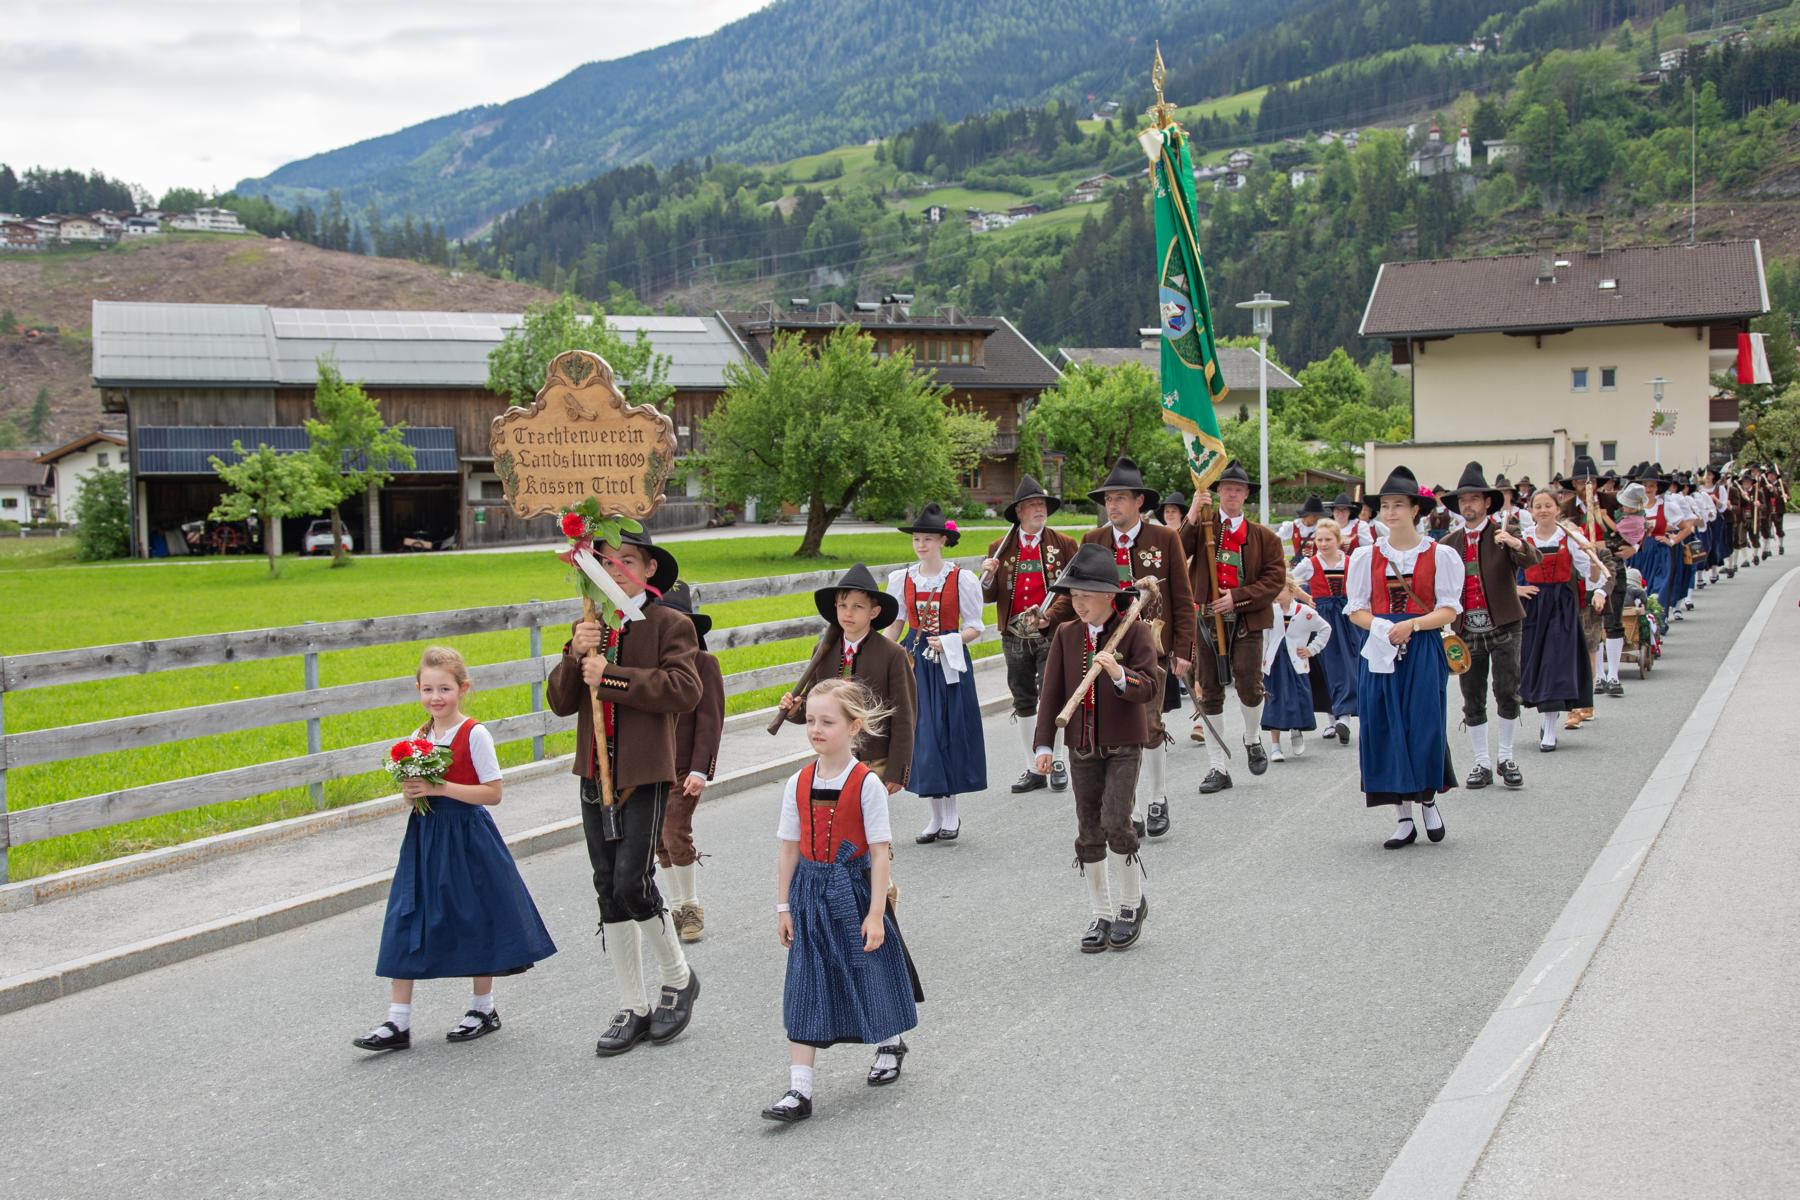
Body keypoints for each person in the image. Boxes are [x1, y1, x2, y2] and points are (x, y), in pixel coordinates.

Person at [547, 529, 704, 1058]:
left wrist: (610, 676)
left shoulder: (669, 624)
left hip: (643, 771)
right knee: (607, 887)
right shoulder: (591, 624)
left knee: (632, 881)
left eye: (628, 561)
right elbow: (561, 702)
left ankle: (678, 977)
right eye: (606, 562)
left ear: (650, 568)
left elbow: (684, 689)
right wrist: (574, 654)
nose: (616, 570)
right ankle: (633, 1005)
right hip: (595, 772)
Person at [355, 646, 558, 1052]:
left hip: (467, 838)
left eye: (444, 689)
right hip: (425, 838)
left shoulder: (473, 734)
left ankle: (483, 1008)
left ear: (463, 689)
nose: (436, 697)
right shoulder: (418, 738)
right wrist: (413, 793)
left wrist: (439, 787)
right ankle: (398, 1021)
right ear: (418, 689)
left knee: (476, 915)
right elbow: (413, 797)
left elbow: (493, 793)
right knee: (406, 916)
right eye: (428, 689)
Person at [763, 679, 923, 1125]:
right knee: (805, 981)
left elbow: (879, 852)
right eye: (811, 721)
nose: (815, 729)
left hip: (853, 890)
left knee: (868, 969)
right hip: (809, 894)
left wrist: (875, 914)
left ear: (854, 727)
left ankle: (890, 1041)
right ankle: (800, 1089)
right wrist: (783, 907)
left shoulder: (866, 784)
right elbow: (788, 849)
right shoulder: (797, 782)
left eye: (827, 722)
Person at [1030, 542, 1161, 952]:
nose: (1078, 604)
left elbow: (1149, 688)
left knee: (1116, 821)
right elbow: (1051, 694)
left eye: (1086, 596)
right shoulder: (1067, 634)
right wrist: (1043, 745)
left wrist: (1120, 674)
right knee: (1088, 830)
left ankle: (1130, 905)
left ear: (1108, 596)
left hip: (1123, 744)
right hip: (1081, 746)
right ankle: (1100, 912)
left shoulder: (1135, 631)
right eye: (1073, 596)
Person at [1346, 467, 1463, 850]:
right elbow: (1356, 610)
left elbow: (1448, 610)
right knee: (1384, 725)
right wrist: (1383, 628)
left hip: (1423, 648)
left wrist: (1411, 625)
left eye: (1398, 505)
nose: (1390, 512)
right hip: (1380, 651)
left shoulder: (1440, 555)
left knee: (1424, 724)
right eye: (1385, 505)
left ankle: (1427, 799)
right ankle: (1402, 817)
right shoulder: (1365, 556)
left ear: (1415, 510)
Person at [1081, 456, 1195, 838]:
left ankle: (1157, 797)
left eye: (1120, 498)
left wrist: (1185, 648)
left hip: (1152, 650)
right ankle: (1126, 807)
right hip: (1105, 650)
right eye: (1108, 499)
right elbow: (1078, 595)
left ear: (1139, 502)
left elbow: (1183, 597)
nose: (1112, 505)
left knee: (1149, 724)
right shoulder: (1093, 541)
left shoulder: (1165, 539)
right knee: (1116, 730)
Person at [1180, 462, 1285, 796]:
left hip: (1246, 620)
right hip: (1207, 621)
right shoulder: (1203, 527)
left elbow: (1274, 579)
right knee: (1209, 692)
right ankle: (1218, 766)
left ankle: (1252, 738)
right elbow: (1177, 551)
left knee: (1249, 685)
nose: (1232, 494)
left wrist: (1237, 598)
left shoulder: (1265, 537)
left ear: (1246, 494)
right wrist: (1193, 512)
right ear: (1219, 492)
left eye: (1238, 489)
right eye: (1227, 489)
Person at [888, 503, 986, 844]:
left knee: (947, 734)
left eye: (928, 539)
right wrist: (884, 653)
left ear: (943, 541)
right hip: (915, 663)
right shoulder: (902, 579)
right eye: (917, 539)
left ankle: (951, 814)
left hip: (949, 664)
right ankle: (934, 816)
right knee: (923, 737)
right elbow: (896, 623)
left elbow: (975, 626)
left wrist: (950, 641)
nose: (921, 545)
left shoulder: (961, 579)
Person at [1439, 461, 1541, 790]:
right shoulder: (1449, 542)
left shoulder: (1503, 534)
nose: (1468, 504)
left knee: (1507, 691)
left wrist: (1516, 544)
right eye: (1463, 499)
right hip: (1465, 629)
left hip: (1505, 625)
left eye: (1474, 498)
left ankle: (1506, 757)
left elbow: (1532, 560)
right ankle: (1482, 762)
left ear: (1486, 502)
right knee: (1472, 696)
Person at [780, 563, 917, 794]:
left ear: (874, 612)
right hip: (833, 758)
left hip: (874, 760)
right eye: (842, 605)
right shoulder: (823, 652)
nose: (848, 613)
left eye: (857, 606)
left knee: (868, 814)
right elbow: (814, 700)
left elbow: (905, 716)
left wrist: (898, 769)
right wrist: (796, 709)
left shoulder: (892, 654)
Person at [981, 476, 1079, 793]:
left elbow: (1073, 590)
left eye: (1042, 505)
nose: (1039, 510)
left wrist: (1049, 617)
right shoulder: (1000, 548)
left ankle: (1057, 760)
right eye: (1033, 505)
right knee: (1023, 699)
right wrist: (988, 576)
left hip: (1052, 633)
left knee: (1053, 693)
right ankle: (1033, 766)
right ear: (1019, 512)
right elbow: (988, 596)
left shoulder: (1064, 544)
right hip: (1013, 636)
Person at [656, 582, 725, 943]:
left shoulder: (704, 663)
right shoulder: (652, 664)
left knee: (675, 832)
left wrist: (701, 769)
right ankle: (676, 904)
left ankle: (691, 905)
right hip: (652, 766)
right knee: (658, 839)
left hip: (685, 768)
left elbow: (710, 720)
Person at [1516, 491, 1599, 750]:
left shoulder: (1569, 538)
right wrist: (1516, 589)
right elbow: (1503, 573)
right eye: (1537, 506)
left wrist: (1592, 556)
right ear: (1531, 510)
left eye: (1548, 505)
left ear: (1557, 509)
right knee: (1537, 664)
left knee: (1555, 663)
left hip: (1561, 606)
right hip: (1533, 606)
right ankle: (1546, 718)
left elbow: (1592, 576)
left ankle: (1550, 729)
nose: (1543, 510)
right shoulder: (1523, 539)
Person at [1292, 518, 1364, 743]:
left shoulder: (1351, 562)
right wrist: (1306, 597)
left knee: (1350, 667)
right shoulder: (1310, 564)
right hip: (1322, 621)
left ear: (1338, 540)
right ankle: (1334, 720)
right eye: (1319, 539)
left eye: (1327, 539)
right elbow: (1287, 581)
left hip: (1348, 619)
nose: (1322, 544)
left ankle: (1344, 717)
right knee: (1327, 669)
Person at [1260, 572, 1332, 762]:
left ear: (1291, 590)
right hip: (1274, 664)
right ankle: (1275, 745)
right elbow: (1264, 637)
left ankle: (1296, 730)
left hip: (1296, 664)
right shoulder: (1270, 611)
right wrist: (1261, 662)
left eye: (1280, 590)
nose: (1276, 594)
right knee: (1273, 701)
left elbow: (1325, 629)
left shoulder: (1305, 612)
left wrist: (1311, 649)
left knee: (1298, 699)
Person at [1276, 495, 1327, 562]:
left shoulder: (1321, 527)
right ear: (1306, 514)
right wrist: (1281, 559)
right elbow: (1274, 540)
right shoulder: (1293, 527)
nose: (1317, 518)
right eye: (1314, 516)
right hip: (1298, 566)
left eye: (1318, 515)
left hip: (1316, 565)